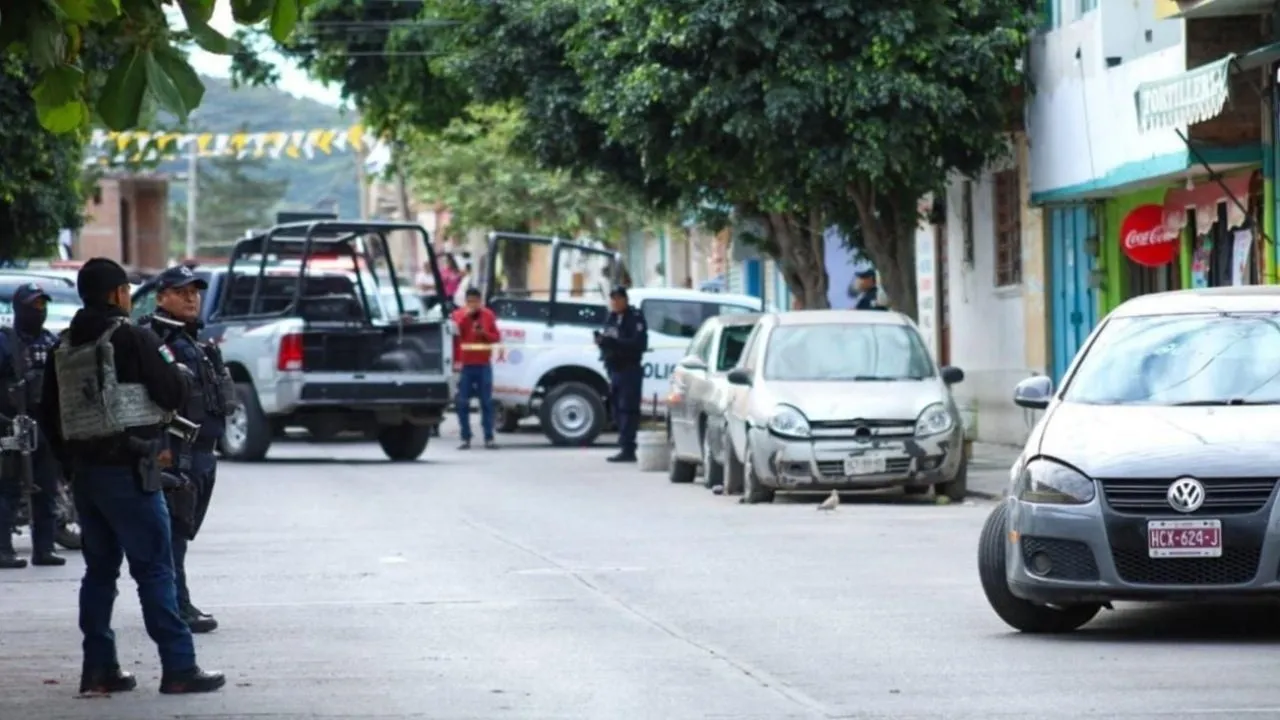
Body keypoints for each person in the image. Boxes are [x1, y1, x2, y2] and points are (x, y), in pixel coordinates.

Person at [40, 257, 224, 695]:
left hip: (86, 476)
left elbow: (48, 413)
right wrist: (177, 375)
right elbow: (172, 392)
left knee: (99, 574)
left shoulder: (63, 345)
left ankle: (99, 668)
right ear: (120, 293)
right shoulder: (133, 337)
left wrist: (70, 467)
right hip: (131, 470)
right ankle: (179, 667)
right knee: (156, 570)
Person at [138, 265, 237, 635]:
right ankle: (176, 604)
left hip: (203, 454)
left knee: (182, 532)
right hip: (177, 453)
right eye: (181, 292)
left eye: (194, 292)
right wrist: (163, 451)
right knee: (173, 534)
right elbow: (153, 402)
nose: (191, 298)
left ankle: (174, 600)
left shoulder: (195, 340)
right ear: (162, 297)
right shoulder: (156, 340)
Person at [0, 283, 66, 569]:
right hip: (11, 427)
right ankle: (3, 549)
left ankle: (44, 548)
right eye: (33, 305)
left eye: (42, 305)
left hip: (45, 427)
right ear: (19, 308)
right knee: (9, 489)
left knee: (47, 489)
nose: (39, 311)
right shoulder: (5, 342)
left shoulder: (51, 343)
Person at [595, 287, 647, 463]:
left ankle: (628, 447)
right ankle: (623, 443)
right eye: (613, 299)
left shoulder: (635, 317)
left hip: (629, 369)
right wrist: (602, 342)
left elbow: (638, 343)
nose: (615, 303)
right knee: (616, 408)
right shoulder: (611, 317)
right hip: (614, 369)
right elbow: (608, 338)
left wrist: (614, 343)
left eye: (618, 299)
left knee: (628, 409)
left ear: (625, 299)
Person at [451, 288, 500, 450]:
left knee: (486, 402)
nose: (473, 305)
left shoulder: (488, 315)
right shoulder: (458, 315)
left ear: (480, 301)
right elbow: (456, 334)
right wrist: (466, 317)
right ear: (466, 302)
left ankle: (489, 437)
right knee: (462, 402)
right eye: (470, 301)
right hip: (465, 365)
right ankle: (465, 437)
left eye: (476, 301)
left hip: (483, 364)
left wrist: (483, 332)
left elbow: (496, 338)